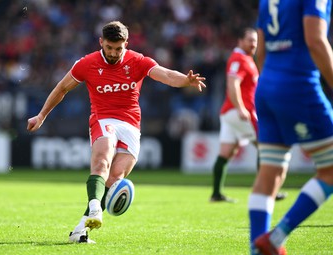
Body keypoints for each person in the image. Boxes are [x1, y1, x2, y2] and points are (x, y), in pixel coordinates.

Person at [26, 21, 206, 244]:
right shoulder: (87, 64)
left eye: (118, 48)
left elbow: (166, 75)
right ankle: (95, 208)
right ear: (101, 42)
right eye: (109, 47)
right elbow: (62, 88)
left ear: (126, 44)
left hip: (131, 125)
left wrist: (185, 80)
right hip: (103, 119)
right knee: (102, 161)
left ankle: (79, 231)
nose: (113, 53)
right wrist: (41, 115)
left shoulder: (138, 61)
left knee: (115, 177)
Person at [249, 1, 333, 254]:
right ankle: (276, 236)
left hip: (266, 87)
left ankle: (257, 248)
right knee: (330, 169)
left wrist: (272, 87)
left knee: (270, 172)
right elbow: (315, 40)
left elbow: (260, 50)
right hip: (299, 86)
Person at [209, 28, 287, 203]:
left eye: (256, 41)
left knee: (226, 152)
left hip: (229, 113)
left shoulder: (246, 59)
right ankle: (266, 192)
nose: (254, 44)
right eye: (250, 40)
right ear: (240, 41)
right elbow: (232, 83)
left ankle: (216, 194)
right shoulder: (239, 58)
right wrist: (241, 107)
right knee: (265, 145)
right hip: (241, 112)